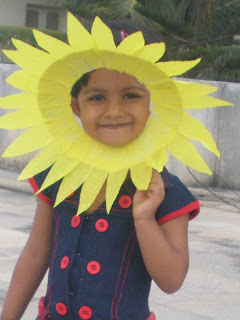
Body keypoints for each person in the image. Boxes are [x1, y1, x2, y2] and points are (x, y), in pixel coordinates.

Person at [0, 67, 200, 320]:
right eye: (97, 97)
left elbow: (172, 280)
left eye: (130, 95)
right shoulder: (58, 175)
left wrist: (144, 219)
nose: (114, 111)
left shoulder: (164, 190)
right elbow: (35, 254)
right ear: (75, 106)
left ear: (154, 103)